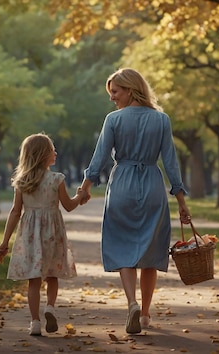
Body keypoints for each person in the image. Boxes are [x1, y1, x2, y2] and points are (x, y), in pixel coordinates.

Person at [79, 68, 191, 334]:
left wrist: (85, 188)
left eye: (115, 92)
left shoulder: (113, 120)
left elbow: (99, 159)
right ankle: (144, 315)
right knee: (151, 253)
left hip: (122, 186)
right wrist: (181, 201)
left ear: (130, 90)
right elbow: (171, 164)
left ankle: (131, 303)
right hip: (152, 184)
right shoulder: (161, 120)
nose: (112, 98)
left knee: (122, 246)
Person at [0, 133, 85, 336]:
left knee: (34, 280)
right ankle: (50, 308)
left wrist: (4, 242)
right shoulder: (56, 179)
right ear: (42, 154)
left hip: (29, 235)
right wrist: (80, 195)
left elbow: (15, 212)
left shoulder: (22, 181)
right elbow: (69, 206)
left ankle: (35, 322)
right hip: (53, 234)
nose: (55, 152)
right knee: (53, 275)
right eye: (52, 149)